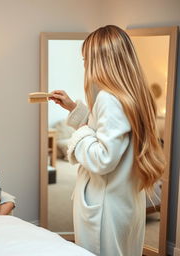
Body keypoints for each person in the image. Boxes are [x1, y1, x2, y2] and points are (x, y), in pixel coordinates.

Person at [49, 25, 165, 256]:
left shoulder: (108, 98)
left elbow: (103, 159)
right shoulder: (134, 94)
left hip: (106, 205)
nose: (84, 65)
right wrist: (74, 108)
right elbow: (108, 130)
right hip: (125, 198)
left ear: (100, 61)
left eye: (86, 59)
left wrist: (80, 132)